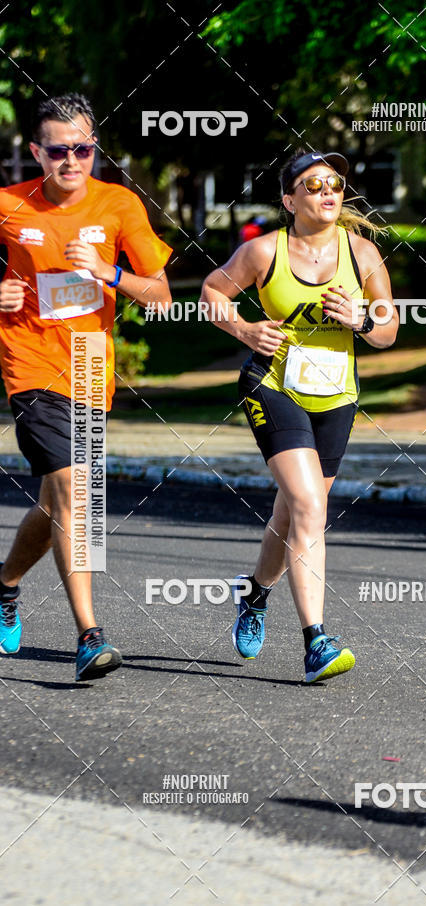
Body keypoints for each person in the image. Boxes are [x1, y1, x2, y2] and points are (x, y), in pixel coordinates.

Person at [201, 149, 398, 683]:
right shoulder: (263, 251)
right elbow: (211, 290)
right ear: (289, 200)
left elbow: (388, 330)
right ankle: (317, 643)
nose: (327, 192)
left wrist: (362, 320)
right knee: (310, 505)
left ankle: (254, 594)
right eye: (313, 185)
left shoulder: (363, 253)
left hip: (335, 396)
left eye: (334, 184)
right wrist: (243, 329)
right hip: (273, 386)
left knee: (293, 513)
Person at [0, 93, 172, 680]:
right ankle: (89, 636)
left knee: (56, 504)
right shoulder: (9, 205)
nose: (71, 161)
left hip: (90, 367)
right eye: (58, 151)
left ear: (94, 147)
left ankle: (5, 584)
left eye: (82, 148)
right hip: (29, 364)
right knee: (78, 495)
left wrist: (108, 272)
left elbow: (160, 294)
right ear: (36, 152)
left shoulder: (119, 204)